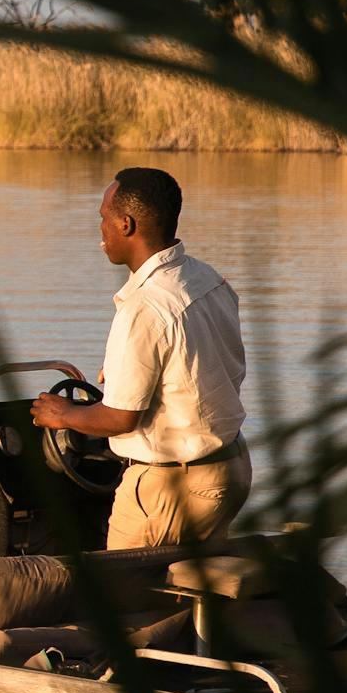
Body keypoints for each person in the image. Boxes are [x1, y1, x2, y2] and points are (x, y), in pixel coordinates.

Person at [30, 167, 251, 553]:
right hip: (228, 470)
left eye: (103, 217)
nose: (100, 228)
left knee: (122, 600)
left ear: (126, 224)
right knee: (184, 591)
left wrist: (62, 414)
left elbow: (120, 418)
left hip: (174, 486)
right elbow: (201, 366)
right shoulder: (206, 278)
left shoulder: (144, 307)